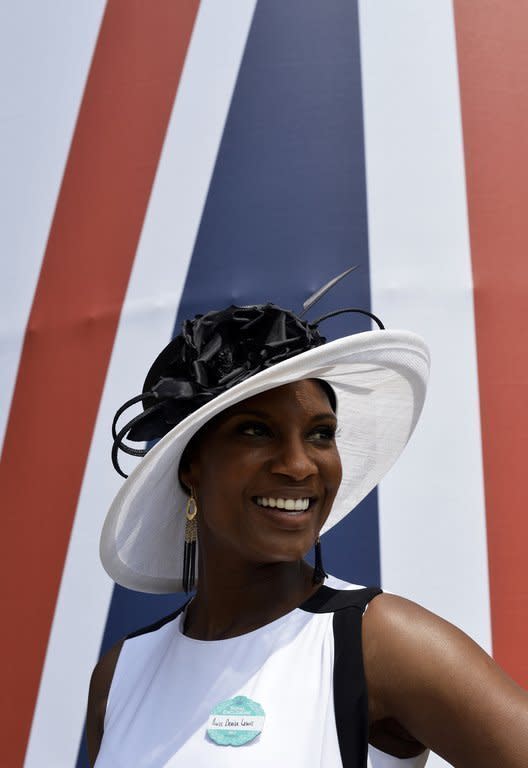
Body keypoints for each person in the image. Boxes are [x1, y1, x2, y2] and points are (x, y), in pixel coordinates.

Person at [87, 294, 528, 767]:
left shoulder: (377, 641)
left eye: (320, 433)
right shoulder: (121, 674)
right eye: (256, 431)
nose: (299, 467)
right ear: (190, 467)